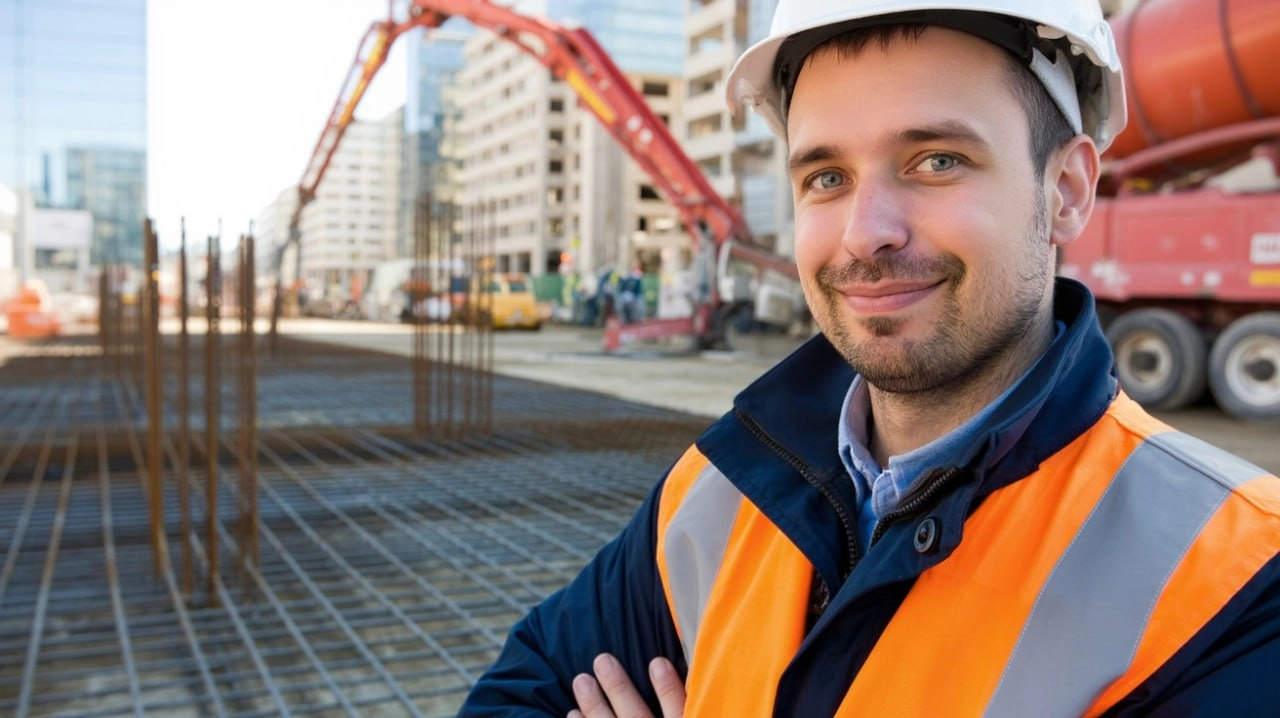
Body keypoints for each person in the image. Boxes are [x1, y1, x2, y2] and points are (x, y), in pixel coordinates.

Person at [461, 0, 1280, 715]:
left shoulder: (1235, 579)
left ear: (1065, 190)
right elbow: (516, 695)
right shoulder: (723, 487)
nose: (865, 231)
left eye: (936, 161)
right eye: (826, 176)